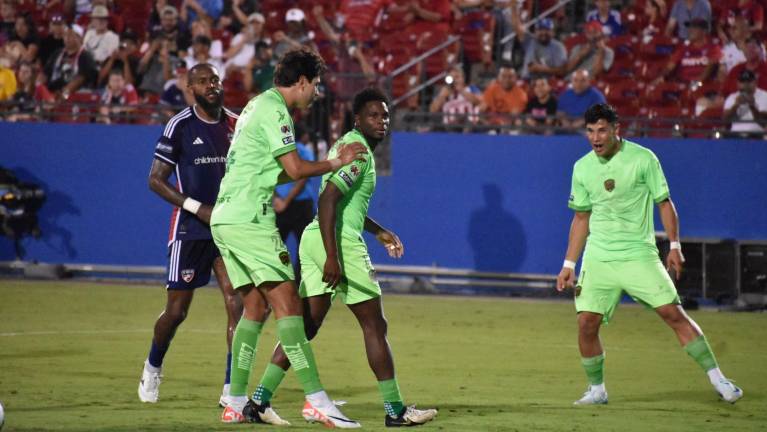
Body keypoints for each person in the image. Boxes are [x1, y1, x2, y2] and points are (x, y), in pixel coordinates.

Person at [251, 87, 438, 428]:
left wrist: (378, 231)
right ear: (357, 119)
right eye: (373, 115)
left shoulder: (348, 145)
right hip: (336, 243)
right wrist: (333, 256)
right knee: (374, 325)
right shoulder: (360, 153)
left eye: (384, 115)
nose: (381, 121)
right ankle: (395, 411)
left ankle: (259, 401)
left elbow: (338, 200)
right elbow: (328, 201)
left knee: (305, 326)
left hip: (316, 238)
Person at [210, 47, 367, 427]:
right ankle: (316, 400)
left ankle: (234, 400)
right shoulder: (276, 110)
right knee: (289, 306)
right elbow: (295, 168)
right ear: (300, 83)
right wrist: (335, 162)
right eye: (314, 85)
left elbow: (277, 172)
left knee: (254, 308)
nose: (315, 92)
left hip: (225, 216)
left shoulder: (254, 106)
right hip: (250, 218)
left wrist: (314, 168)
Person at [555, 102, 743, 406]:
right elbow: (581, 218)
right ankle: (597, 390)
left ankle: (719, 379)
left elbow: (664, 203)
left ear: (616, 129)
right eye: (590, 131)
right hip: (599, 257)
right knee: (586, 323)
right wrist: (569, 263)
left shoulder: (644, 159)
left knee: (673, 314)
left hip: (638, 254)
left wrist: (675, 245)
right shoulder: (582, 167)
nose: (595, 137)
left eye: (602, 130)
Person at [137, 63, 244, 408]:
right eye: (203, 81)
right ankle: (153, 365)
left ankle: (231, 389)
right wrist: (198, 208)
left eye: (215, 79)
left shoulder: (237, 124)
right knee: (177, 311)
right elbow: (156, 180)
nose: (211, 85)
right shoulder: (180, 125)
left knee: (236, 303)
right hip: (191, 228)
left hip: (228, 228)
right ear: (190, 88)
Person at [274, 125, 316, 284]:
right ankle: (298, 285)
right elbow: (303, 177)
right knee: (303, 249)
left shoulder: (278, 151)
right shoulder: (303, 150)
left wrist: (277, 198)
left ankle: (277, 281)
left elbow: (268, 175)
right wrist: (283, 200)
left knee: (275, 246)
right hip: (299, 205)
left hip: (285, 204)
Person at [510, 6, 567, 80]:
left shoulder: (558, 47)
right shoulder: (530, 40)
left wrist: (540, 68)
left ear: (553, 32)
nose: (543, 32)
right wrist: (513, 5)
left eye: (547, 30)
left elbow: (562, 71)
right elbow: (516, 25)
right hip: (526, 81)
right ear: (535, 31)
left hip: (547, 83)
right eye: (540, 29)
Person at [723, 69, 767, 137]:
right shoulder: (732, 97)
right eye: (742, 82)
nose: (746, 85)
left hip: (758, 136)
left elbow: (763, 122)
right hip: (736, 135)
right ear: (737, 83)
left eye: (749, 81)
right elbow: (725, 120)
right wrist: (736, 105)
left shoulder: (764, 96)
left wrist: (752, 106)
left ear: (755, 82)